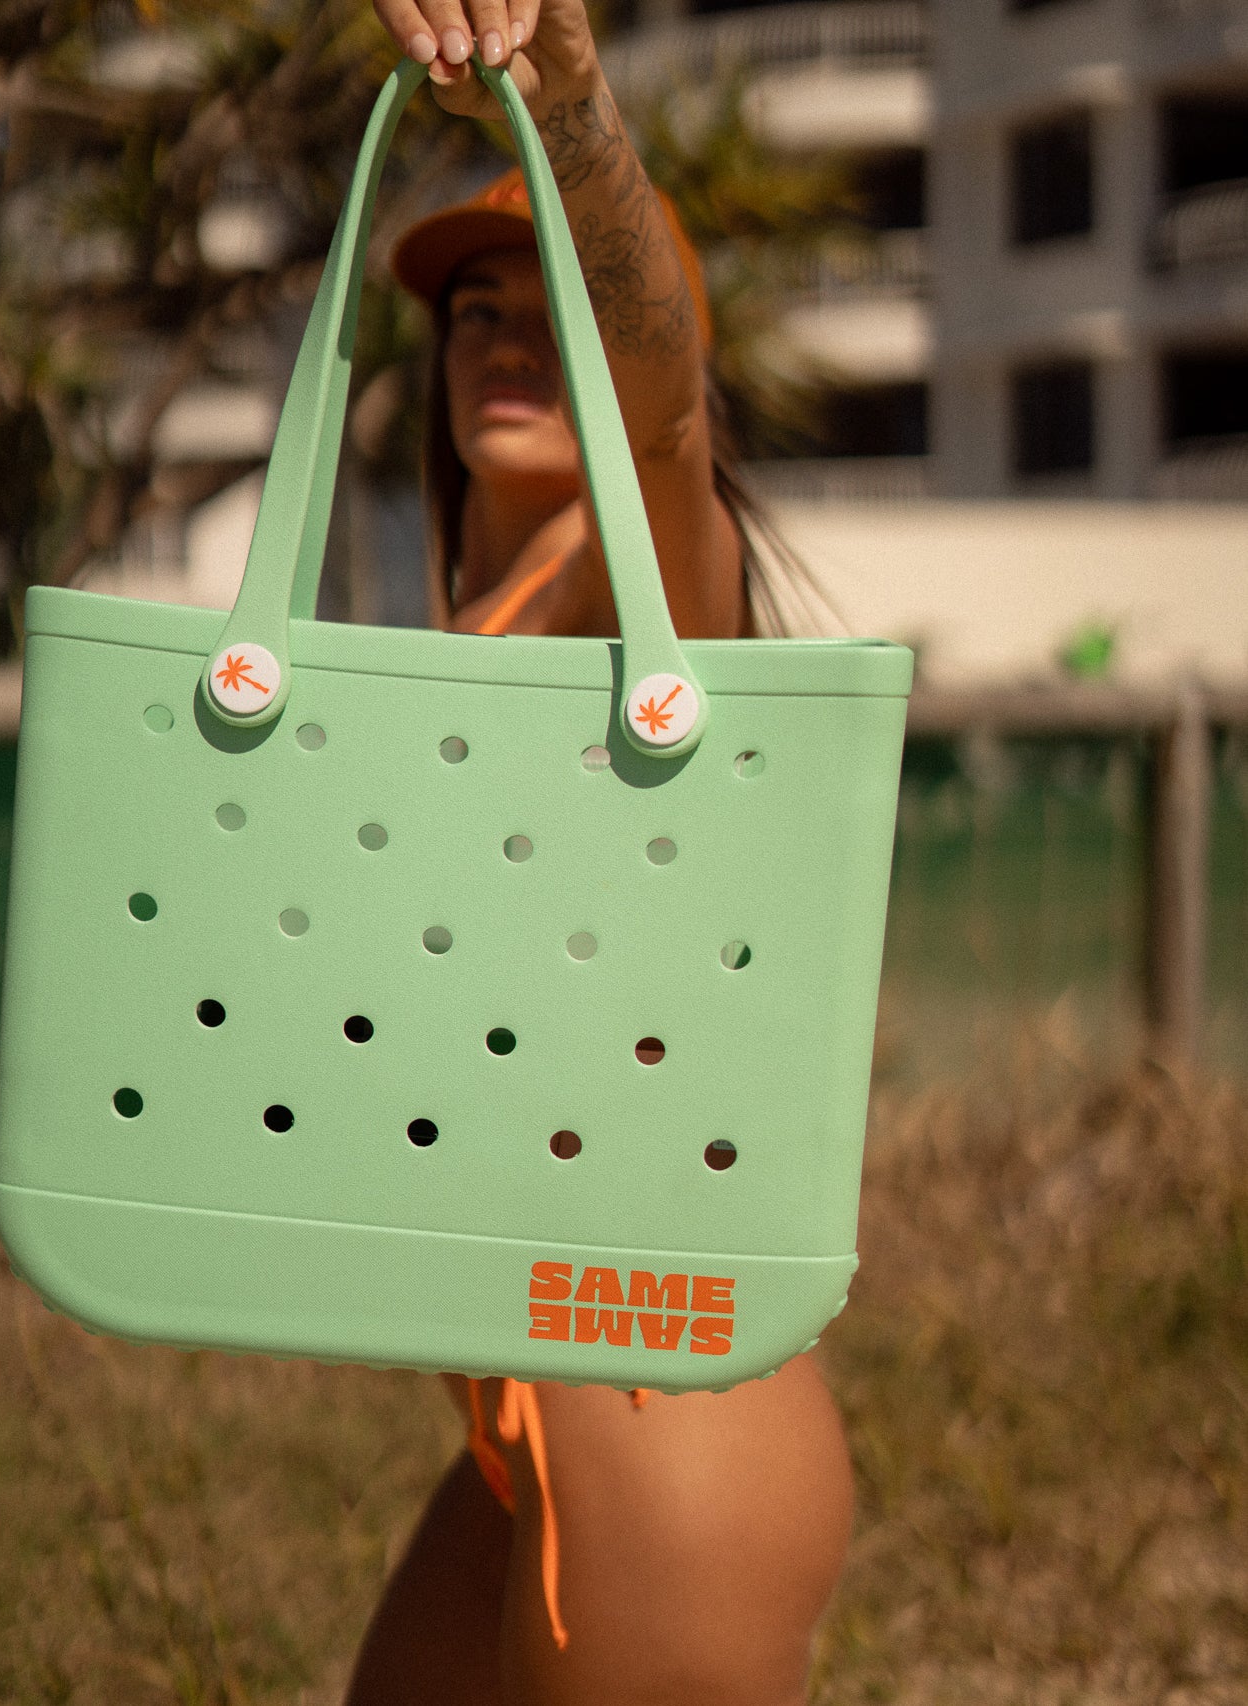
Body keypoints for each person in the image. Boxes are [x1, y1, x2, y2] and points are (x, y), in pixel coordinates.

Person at [344, 3, 855, 1701]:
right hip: (524, 1415)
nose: (503, 343)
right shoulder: (448, 637)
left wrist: (567, 110)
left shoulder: (650, 610)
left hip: (657, 1402)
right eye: (474, 314)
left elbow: (660, 426)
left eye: (547, 310)